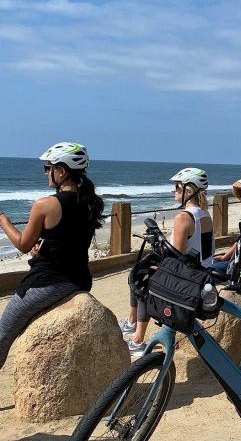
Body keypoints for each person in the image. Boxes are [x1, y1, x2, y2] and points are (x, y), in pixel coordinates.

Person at [0, 142, 104, 369]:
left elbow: (22, 245)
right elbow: (69, 240)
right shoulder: (91, 202)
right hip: (79, 278)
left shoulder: (45, 204)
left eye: (48, 168)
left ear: (62, 171)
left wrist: (3, 221)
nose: (46, 172)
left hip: (48, 282)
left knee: (3, 333)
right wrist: (43, 249)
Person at [122, 167, 214, 356]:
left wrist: (158, 265)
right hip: (201, 273)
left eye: (177, 187)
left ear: (189, 191)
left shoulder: (184, 218)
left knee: (143, 277)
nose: (174, 191)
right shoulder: (205, 215)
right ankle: (132, 323)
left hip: (187, 277)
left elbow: (175, 260)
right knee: (146, 268)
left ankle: (137, 339)